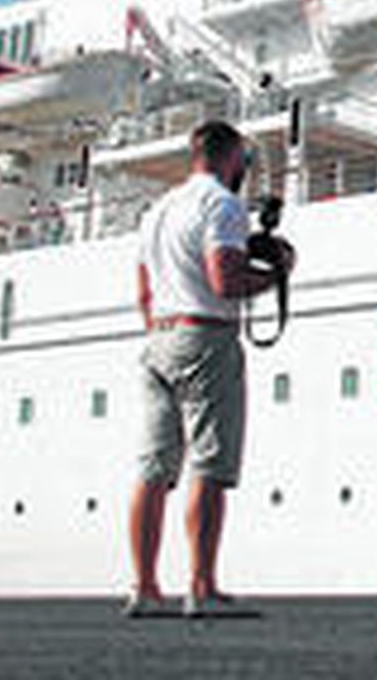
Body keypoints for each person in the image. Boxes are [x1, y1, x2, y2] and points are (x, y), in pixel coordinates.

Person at [126, 120, 294, 618]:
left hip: (157, 336)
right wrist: (275, 275)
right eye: (244, 161)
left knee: (153, 469)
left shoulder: (157, 210)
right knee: (208, 464)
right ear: (232, 157)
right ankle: (201, 585)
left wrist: (164, 331)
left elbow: (143, 291)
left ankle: (144, 586)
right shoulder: (220, 203)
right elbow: (224, 280)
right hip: (205, 336)